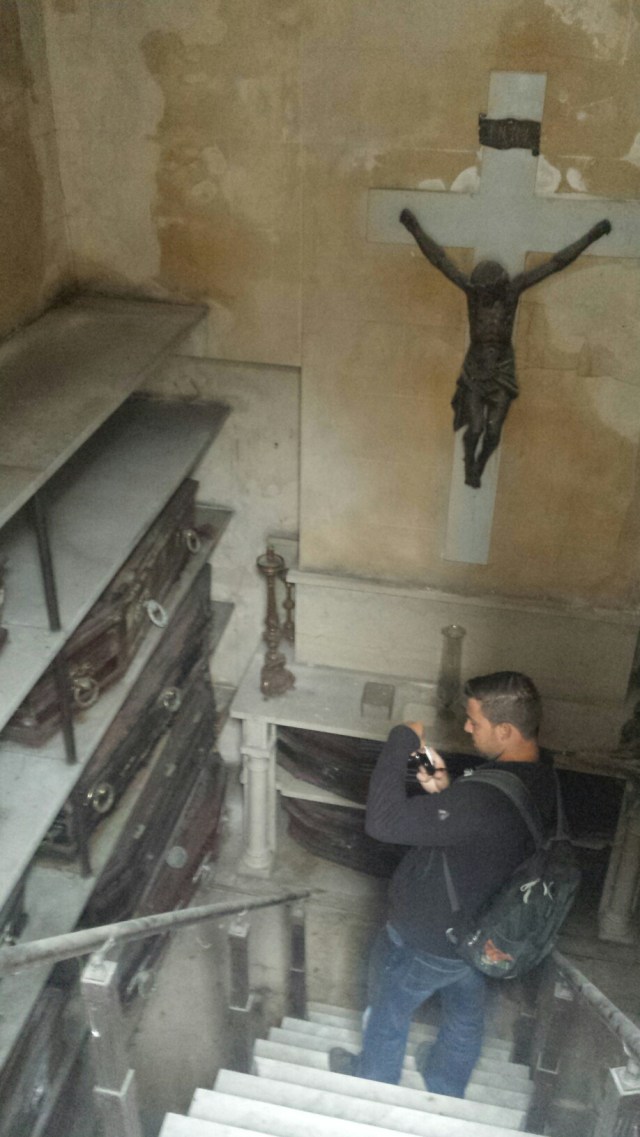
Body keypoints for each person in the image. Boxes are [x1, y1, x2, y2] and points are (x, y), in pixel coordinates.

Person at [329, 670, 557, 1098]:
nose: (467, 728)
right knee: (465, 1015)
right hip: (485, 931)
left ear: (505, 730)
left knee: (388, 1010)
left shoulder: (481, 802)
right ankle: (446, 1084)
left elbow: (383, 823)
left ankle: (375, 1083)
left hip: (431, 938)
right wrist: (442, 790)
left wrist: (401, 740)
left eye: (475, 720)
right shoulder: (541, 776)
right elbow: (485, 828)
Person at [399, 208, 612, 488]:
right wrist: (413, 228)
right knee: (475, 427)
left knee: (492, 431)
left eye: (489, 292)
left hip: (502, 368)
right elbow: (439, 260)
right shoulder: (473, 293)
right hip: (476, 368)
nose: (485, 296)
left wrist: (592, 236)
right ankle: (469, 464)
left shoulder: (511, 293)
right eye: (482, 291)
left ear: (498, 287)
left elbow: (556, 263)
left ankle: (480, 464)